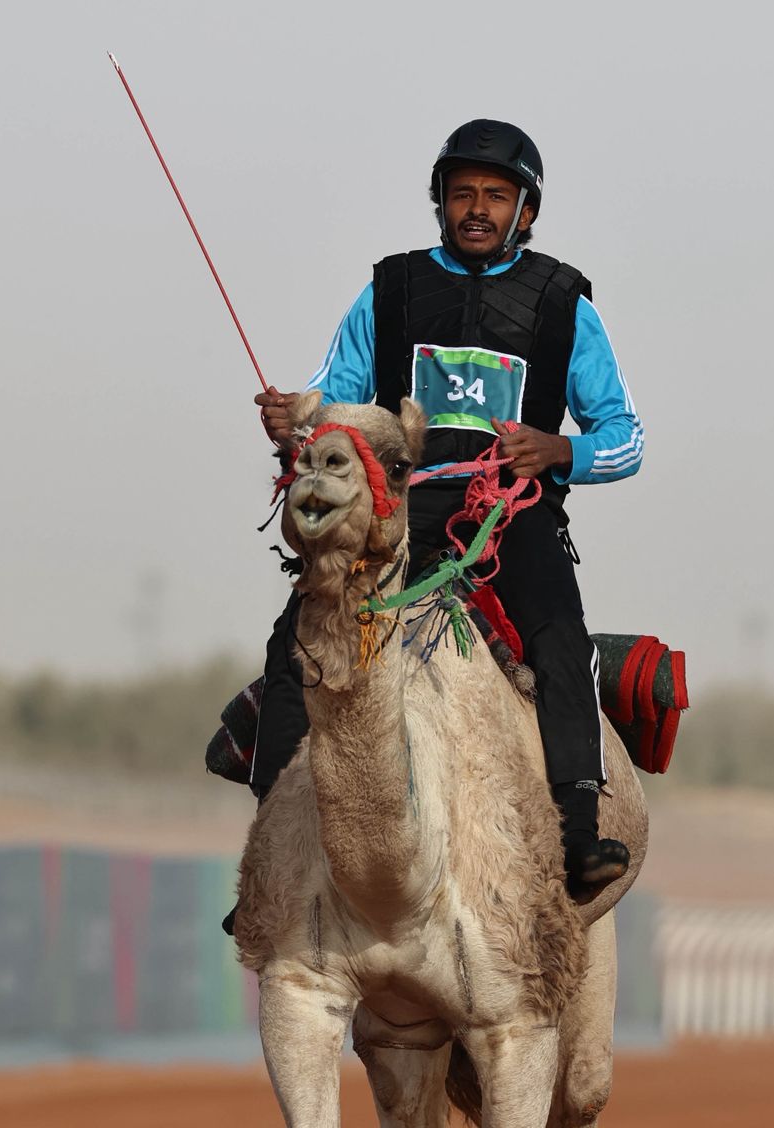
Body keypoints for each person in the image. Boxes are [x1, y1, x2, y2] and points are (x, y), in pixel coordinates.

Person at [251, 119, 642, 893]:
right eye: (462, 193)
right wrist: (294, 417)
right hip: (403, 508)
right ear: (441, 201)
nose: (477, 209)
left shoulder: (565, 302)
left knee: (561, 636)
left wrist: (557, 451)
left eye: (496, 196)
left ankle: (576, 830)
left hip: (513, 514)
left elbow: (626, 437)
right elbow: (333, 399)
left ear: (526, 210)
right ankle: (275, 845)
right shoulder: (390, 289)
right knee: (301, 634)